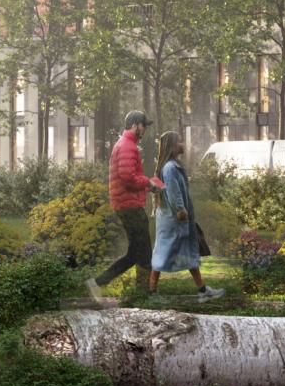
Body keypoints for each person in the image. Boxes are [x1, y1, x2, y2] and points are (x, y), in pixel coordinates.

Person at [89, 111, 163, 299]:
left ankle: (98, 283)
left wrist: (149, 186)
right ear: (135, 124)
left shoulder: (125, 145)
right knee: (144, 253)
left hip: (126, 203)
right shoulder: (127, 146)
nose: (145, 129)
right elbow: (128, 177)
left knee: (135, 253)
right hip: (129, 207)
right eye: (144, 125)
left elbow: (128, 179)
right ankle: (146, 296)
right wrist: (148, 183)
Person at [149, 131, 221, 299]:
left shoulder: (170, 166)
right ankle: (151, 292)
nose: (183, 144)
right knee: (162, 255)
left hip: (174, 220)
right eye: (180, 142)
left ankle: (203, 290)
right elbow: (174, 193)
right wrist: (181, 211)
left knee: (187, 253)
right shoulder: (170, 168)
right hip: (174, 220)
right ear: (173, 146)